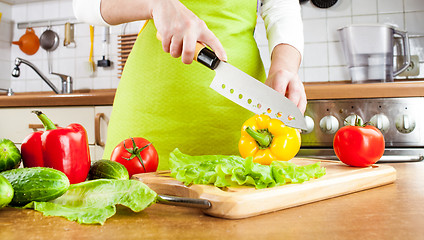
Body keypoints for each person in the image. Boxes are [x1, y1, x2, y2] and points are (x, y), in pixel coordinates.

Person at [73, 0, 306, 170]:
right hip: (147, 119)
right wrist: (156, 4)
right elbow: (85, 5)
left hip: (240, 121)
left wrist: (284, 66)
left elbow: (281, 7)